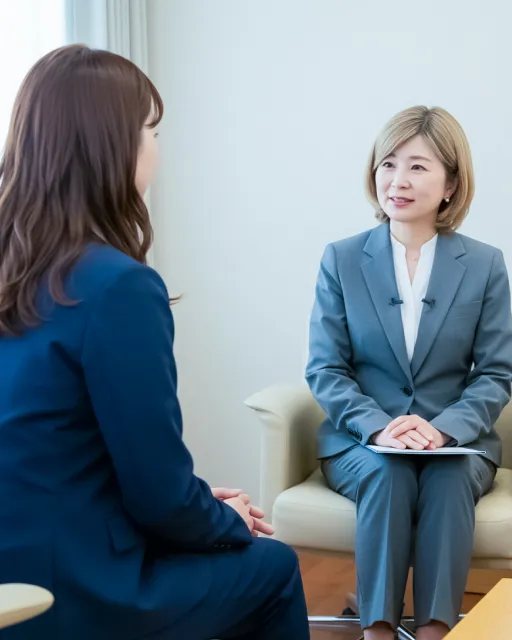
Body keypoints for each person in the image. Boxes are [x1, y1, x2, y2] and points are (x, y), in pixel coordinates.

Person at [0, 44, 310, 640]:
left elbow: (59, 454)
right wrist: (224, 518)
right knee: (271, 567)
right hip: (69, 589)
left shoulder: (17, 272)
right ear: (111, 146)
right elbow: (159, 496)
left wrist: (200, 504)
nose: (158, 149)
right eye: (152, 130)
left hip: (15, 571)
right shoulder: (118, 286)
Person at [306, 105, 512, 640]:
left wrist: (443, 430)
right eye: (388, 164)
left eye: (418, 167)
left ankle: (434, 629)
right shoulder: (342, 259)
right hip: (361, 442)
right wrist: (380, 428)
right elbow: (326, 368)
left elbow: (496, 373)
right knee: (388, 472)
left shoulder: (485, 265)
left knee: (447, 477)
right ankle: (377, 628)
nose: (397, 180)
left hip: (456, 442)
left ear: (451, 184)